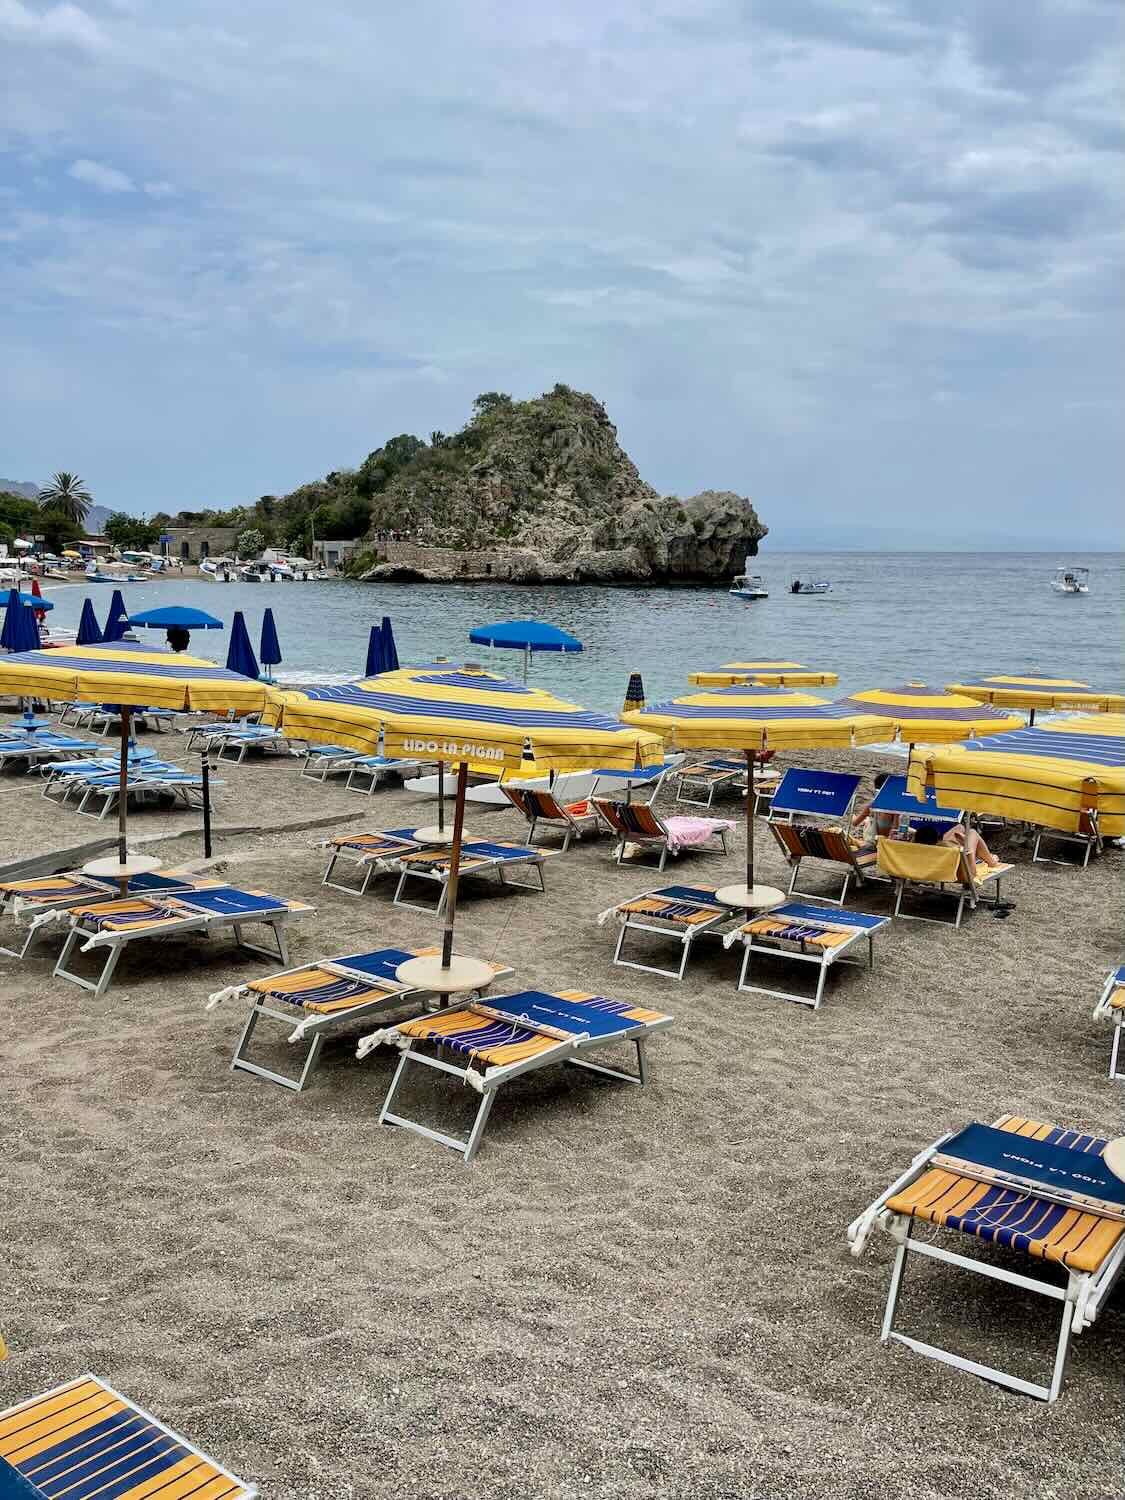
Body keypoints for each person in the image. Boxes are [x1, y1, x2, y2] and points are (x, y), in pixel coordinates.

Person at [913, 820, 1001, 867]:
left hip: (931, 862)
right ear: (936, 839)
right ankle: (991, 861)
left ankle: (989, 859)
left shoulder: (911, 852)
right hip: (965, 869)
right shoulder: (948, 851)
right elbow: (968, 864)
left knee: (959, 829)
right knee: (972, 833)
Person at [852, 772, 896, 850]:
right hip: (884, 846)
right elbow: (892, 832)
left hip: (871, 844)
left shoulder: (873, 805)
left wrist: (853, 816)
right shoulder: (895, 808)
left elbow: (855, 823)